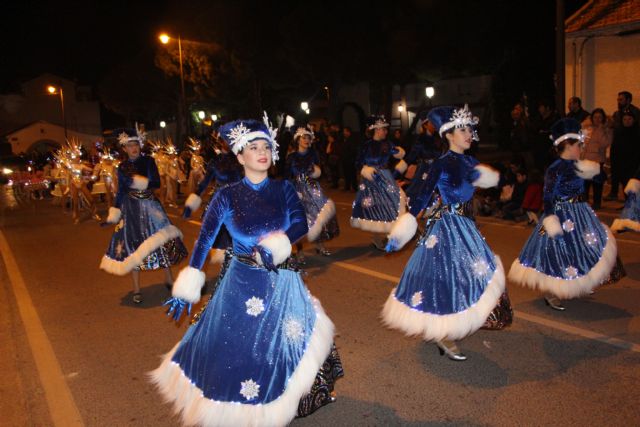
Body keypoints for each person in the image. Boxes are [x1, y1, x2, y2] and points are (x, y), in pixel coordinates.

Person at [151, 116, 343, 426]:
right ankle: (247, 407)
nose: (262, 152)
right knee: (243, 347)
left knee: (291, 339)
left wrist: (278, 244)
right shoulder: (226, 196)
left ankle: (291, 399)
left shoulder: (283, 189)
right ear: (240, 156)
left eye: (266, 146)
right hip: (242, 281)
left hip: (281, 278)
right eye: (253, 147)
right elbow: (203, 241)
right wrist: (189, 282)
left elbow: (299, 224)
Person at [382, 105, 506, 361]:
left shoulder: (470, 161)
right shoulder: (440, 164)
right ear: (448, 135)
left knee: (477, 272)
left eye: (469, 129)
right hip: (448, 227)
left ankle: (462, 320)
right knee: (447, 278)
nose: (468, 134)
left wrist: (497, 184)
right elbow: (420, 198)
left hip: (467, 225)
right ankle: (443, 331)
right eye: (462, 130)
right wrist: (401, 231)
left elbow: (479, 186)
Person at [508, 118, 623, 311]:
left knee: (587, 246)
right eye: (579, 145)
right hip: (561, 215)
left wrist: (596, 169)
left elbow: (601, 178)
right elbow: (547, 196)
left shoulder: (579, 164)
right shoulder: (555, 169)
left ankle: (582, 282)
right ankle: (551, 292)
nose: (581, 148)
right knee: (559, 253)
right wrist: (552, 220)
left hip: (581, 213)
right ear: (568, 145)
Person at [100, 128, 188, 304]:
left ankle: (169, 279)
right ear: (124, 148)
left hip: (150, 206)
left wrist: (141, 182)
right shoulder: (122, 166)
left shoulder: (148, 161)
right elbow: (120, 192)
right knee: (133, 246)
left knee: (161, 241)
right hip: (131, 209)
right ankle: (136, 288)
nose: (134, 148)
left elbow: (156, 182)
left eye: (136, 145)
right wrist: (115, 210)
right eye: (130, 146)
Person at [351, 115, 407, 249]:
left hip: (386, 177)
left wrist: (399, 154)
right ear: (377, 130)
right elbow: (358, 163)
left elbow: (398, 153)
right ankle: (376, 237)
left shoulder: (387, 144)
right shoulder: (366, 146)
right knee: (375, 207)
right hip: (371, 178)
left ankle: (393, 233)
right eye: (383, 129)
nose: (386, 132)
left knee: (394, 202)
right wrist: (365, 169)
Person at [286, 125, 339, 261]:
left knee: (319, 216)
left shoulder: (313, 154)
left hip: (313, 188)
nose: (307, 140)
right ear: (298, 139)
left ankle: (319, 244)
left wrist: (317, 171)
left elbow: (319, 172)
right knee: (300, 219)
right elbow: (287, 177)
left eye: (309, 138)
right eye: (304, 138)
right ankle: (299, 251)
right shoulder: (291, 157)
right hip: (298, 190)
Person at [582, 108, 612, 209]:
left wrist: (600, 129)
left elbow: (605, 143)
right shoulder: (587, 128)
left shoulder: (606, 129)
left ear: (603, 118)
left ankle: (597, 203)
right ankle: (584, 203)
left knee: (597, 183)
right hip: (585, 159)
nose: (597, 119)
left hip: (598, 160)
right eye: (595, 117)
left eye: (600, 117)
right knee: (585, 183)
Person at [340, 126, 359, 192]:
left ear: (348, 132)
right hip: (345, 159)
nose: (344, 133)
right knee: (346, 174)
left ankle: (354, 187)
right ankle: (347, 186)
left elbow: (353, 150)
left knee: (352, 174)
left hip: (350, 160)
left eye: (345, 131)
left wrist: (350, 157)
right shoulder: (345, 139)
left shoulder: (352, 139)